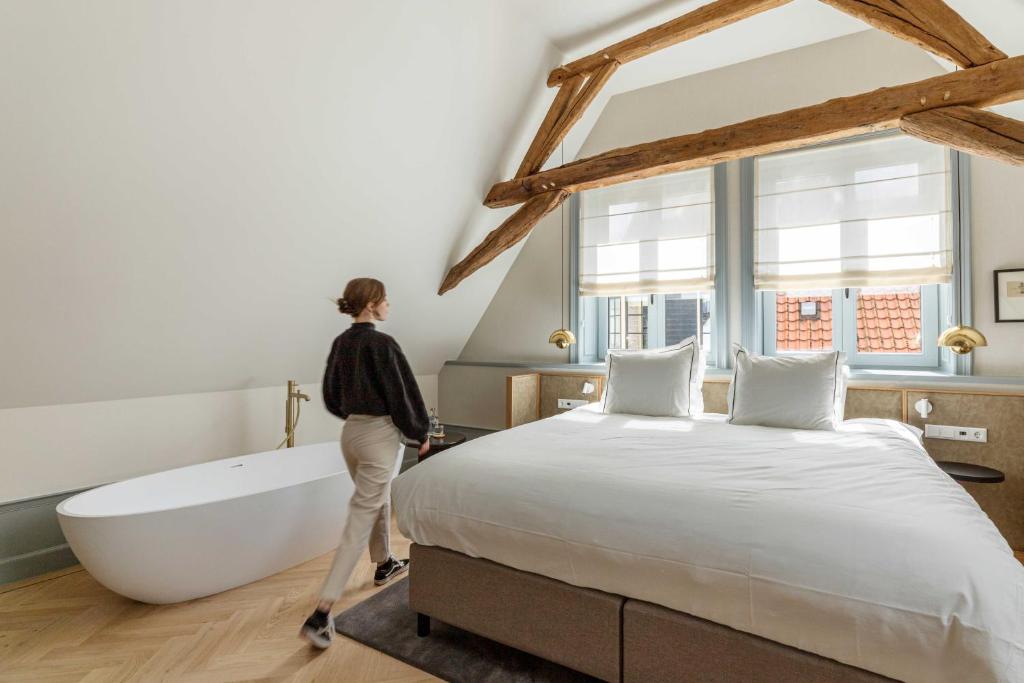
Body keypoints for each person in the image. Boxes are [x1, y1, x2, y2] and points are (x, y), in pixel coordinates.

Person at [300, 277, 430, 649]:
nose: (389, 305)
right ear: (372, 304)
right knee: (360, 516)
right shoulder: (382, 344)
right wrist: (420, 433)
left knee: (375, 500)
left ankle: (385, 561)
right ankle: (322, 613)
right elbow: (403, 394)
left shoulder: (341, 343)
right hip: (377, 436)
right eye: (385, 300)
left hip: (351, 434)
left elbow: (329, 395)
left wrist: (356, 417)